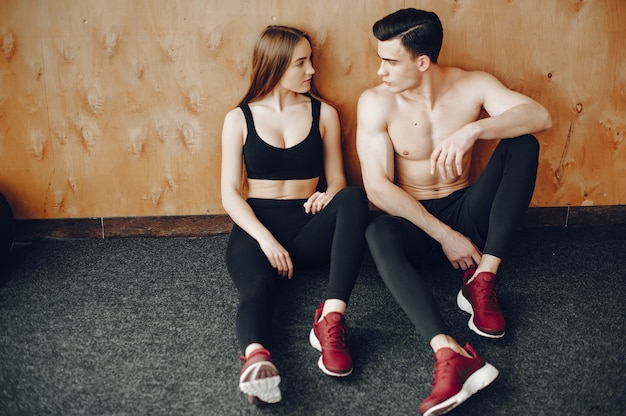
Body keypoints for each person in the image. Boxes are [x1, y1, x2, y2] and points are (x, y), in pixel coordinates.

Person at [356, 8, 552, 416]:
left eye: (390, 61)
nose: (380, 71)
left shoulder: (471, 85)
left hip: (465, 209)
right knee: (377, 233)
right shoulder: (376, 103)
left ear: (422, 61)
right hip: (415, 222)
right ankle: (448, 351)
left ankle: (483, 279)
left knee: (524, 143)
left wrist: (474, 129)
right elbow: (377, 189)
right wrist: (445, 236)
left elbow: (540, 115)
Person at [221, 25, 369, 405]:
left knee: (353, 197)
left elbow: (338, 180)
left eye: (310, 61)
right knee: (256, 288)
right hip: (258, 230)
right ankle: (256, 360)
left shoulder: (325, 114)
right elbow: (229, 194)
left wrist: (327, 195)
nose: (311, 71)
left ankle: (331, 319)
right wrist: (265, 240)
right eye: (301, 63)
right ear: (275, 65)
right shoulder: (238, 119)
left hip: (308, 229)